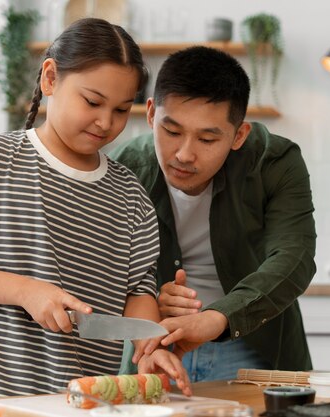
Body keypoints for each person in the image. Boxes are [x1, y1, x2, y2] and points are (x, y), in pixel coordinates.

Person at [0, 18, 190, 399]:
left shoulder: (131, 197)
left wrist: (148, 347)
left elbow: (138, 291)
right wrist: (26, 291)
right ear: (50, 78)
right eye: (92, 102)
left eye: (122, 110)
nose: (105, 122)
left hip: (80, 403)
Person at [110, 46, 317, 382]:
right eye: (172, 131)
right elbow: (103, 273)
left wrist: (218, 317)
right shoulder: (121, 171)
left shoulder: (275, 162)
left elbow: (294, 258)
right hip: (153, 348)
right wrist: (148, 300)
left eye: (207, 138)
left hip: (253, 345)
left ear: (239, 135)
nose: (184, 154)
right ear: (150, 114)